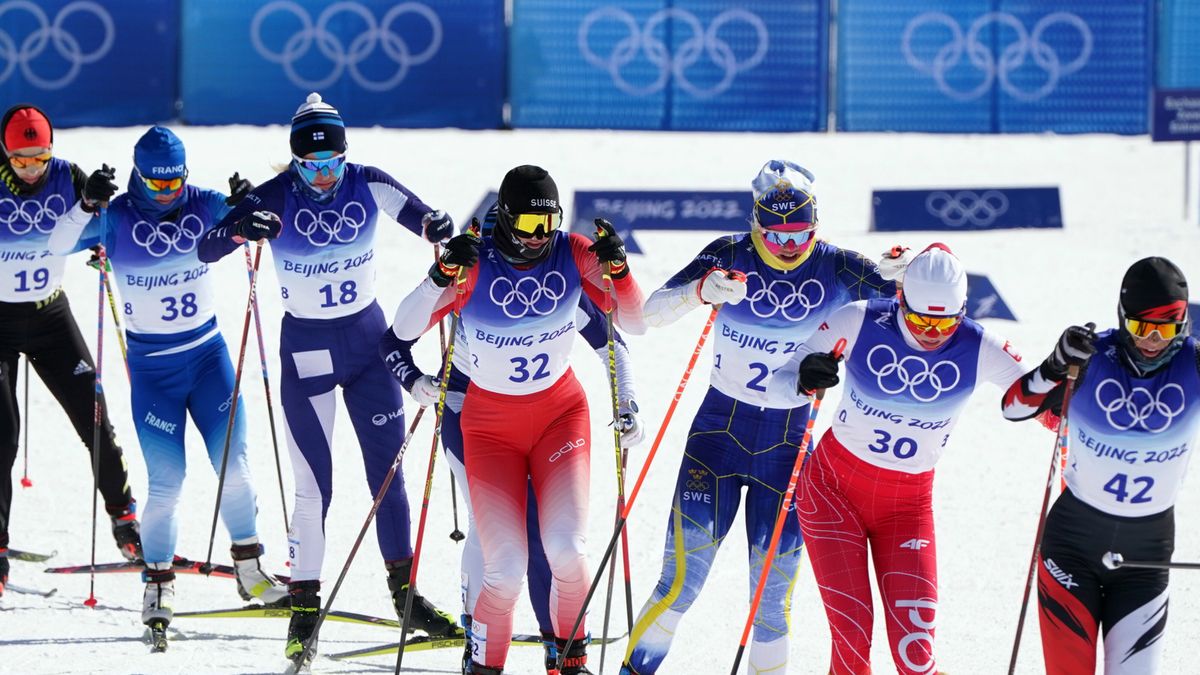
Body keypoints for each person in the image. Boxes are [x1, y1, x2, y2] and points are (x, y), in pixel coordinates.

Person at [196, 93, 457, 663]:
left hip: (368, 345)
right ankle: (305, 606)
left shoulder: (366, 182)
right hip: (307, 351)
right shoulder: (277, 194)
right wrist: (243, 227)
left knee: (388, 475)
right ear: (293, 163)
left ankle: (405, 595)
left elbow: (428, 219)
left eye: (331, 163)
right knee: (315, 484)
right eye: (310, 166)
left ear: (345, 154)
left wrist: (438, 224)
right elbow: (204, 247)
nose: (322, 175)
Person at [621, 160, 896, 675]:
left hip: (788, 448)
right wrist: (698, 292)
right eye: (776, 235)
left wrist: (912, 272)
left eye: (801, 235)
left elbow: (919, 318)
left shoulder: (837, 265)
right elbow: (643, 316)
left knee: (772, 607)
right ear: (756, 226)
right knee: (679, 585)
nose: (790, 248)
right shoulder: (729, 254)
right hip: (717, 437)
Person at [389, 164, 646, 674]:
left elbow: (631, 323)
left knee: (567, 552)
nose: (540, 239)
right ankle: (483, 664)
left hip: (559, 417)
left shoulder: (571, 252)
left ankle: (568, 662)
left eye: (549, 225)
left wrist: (620, 272)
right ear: (504, 219)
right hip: (489, 428)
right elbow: (403, 326)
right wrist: (438, 276)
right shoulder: (474, 263)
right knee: (504, 569)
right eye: (529, 226)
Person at [48, 126, 287, 632]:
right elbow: (54, 243)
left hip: (207, 360)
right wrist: (86, 204)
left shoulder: (202, 202)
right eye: (156, 185)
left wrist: (253, 205)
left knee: (236, 467)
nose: (168, 193)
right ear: (138, 177)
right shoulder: (115, 217)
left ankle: (250, 567)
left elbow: (263, 222)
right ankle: (158, 582)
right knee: (167, 483)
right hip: (154, 372)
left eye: (174, 182)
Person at [779, 244, 1025, 675]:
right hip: (832, 492)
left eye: (944, 321)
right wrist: (805, 375)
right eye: (918, 318)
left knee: (915, 656)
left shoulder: (981, 345)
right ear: (899, 299)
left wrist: (1066, 374)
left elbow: (1044, 402)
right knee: (853, 642)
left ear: (963, 311)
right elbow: (786, 374)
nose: (931, 331)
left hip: (907, 507)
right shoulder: (856, 319)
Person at [1001, 256, 1199, 675]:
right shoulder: (1091, 358)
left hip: (1146, 558)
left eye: (1165, 329)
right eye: (1140, 327)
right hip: (1072, 547)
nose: (1152, 341)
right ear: (1121, 318)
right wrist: (1055, 365)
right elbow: (1014, 407)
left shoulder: (1195, 365)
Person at [0, 104, 141, 594]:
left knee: (95, 417)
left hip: (50, 317)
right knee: (2, 437)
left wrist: (98, 240)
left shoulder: (67, 177)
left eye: (39, 158)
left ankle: (124, 519)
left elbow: (94, 224)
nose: (31, 170)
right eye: (20, 161)